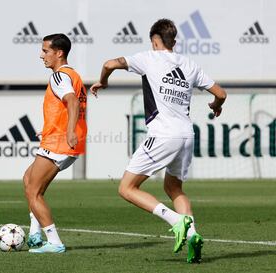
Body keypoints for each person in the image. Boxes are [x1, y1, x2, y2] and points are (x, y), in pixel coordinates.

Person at [90, 19, 226, 263]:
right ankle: (192, 234)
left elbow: (109, 64)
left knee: (126, 188)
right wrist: (216, 106)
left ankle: (176, 221)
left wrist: (104, 81)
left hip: (163, 135)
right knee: (174, 189)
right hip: (186, 135)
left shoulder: (149, 58)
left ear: (155, 40)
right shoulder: (190, 64)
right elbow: (221, 93)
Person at [23, 33, 87, 253]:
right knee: (29, 179)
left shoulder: (59, 76)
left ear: (59, 53)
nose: (42, 55)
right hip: (59, 139)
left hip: (60, 143)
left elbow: (71, 102)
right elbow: (67, 107)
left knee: (33, 191)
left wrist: (68, 132)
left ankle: (54, 241)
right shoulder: (73, 75)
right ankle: (34, 234)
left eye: (45, 51)